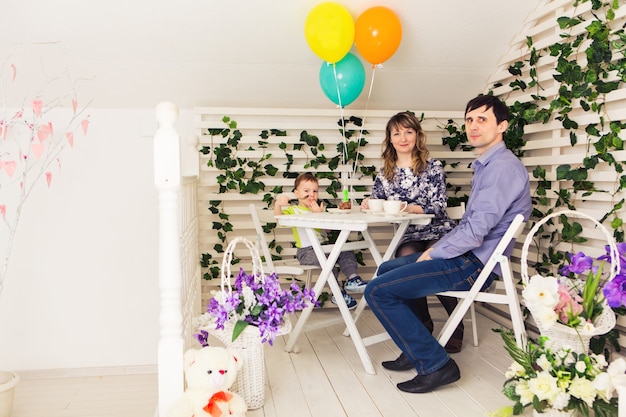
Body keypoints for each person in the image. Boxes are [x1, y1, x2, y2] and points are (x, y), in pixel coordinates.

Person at [364, 95, 531, 394]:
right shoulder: (487, 164)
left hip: (474, 264)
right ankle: (417, 346)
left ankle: (436, 365)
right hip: (468, 255)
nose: (473, 126)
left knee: (377, 291)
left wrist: (435, 251)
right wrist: (435, 250)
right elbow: (469, 226)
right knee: (388, 267)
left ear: (502, 125)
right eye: (469, 119)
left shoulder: (502, 168)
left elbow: (475, 232)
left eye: (482, 119)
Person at [360, 111, 464, 353]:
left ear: (417, 135)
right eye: (397, 133)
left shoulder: (432, 167)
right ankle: (424, 322)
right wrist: (369, 203)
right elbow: (380, 204)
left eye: (408, 131)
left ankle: (456, 326)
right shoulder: (385, 174)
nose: (403, 137)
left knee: (434, 261)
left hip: (438, 230)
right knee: (406, 263)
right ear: (390, 138)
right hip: (408, 235)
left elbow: (439, 207)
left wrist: (410, 208)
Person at [274, 172, 366, 309]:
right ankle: (337, 292)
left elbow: (328, 229)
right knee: (328, 262)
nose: (311, 194)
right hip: (306, 252)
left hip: (324, 247)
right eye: (306, 191)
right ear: (297, 193)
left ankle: (353, 278)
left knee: (345, 249)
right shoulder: (294, 210)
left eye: (315, 191)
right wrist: (278, 204)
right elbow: (278, 218)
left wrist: (320, 215)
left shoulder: (319, 209)